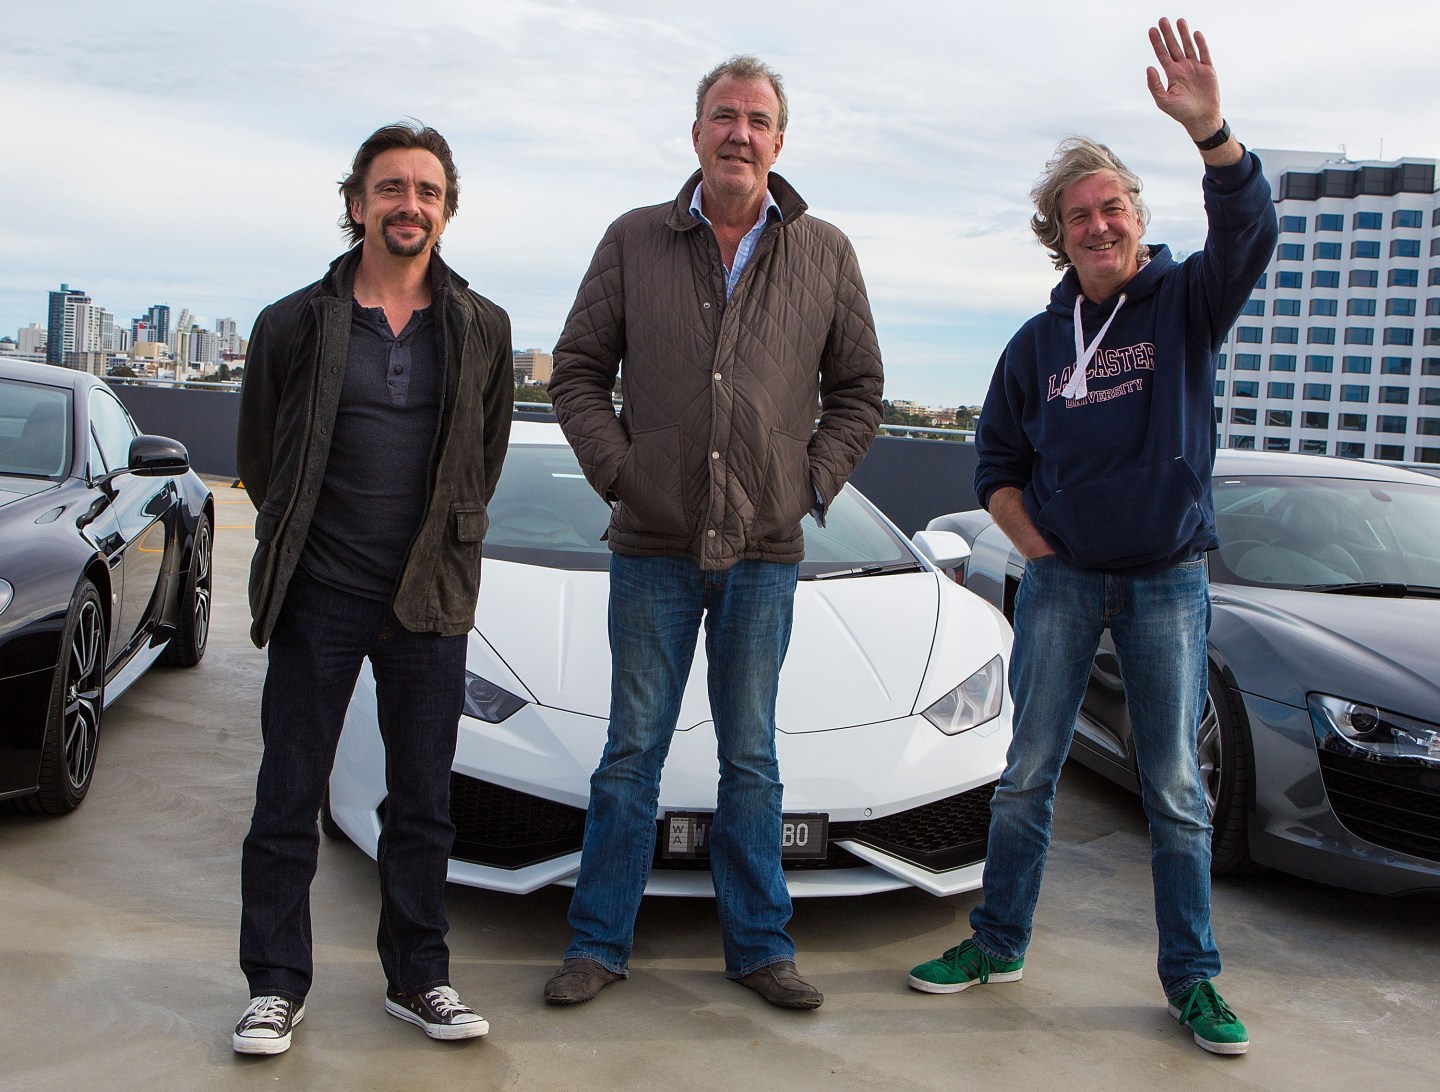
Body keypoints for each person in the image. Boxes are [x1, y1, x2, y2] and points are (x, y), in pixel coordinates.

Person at [906, 18, 1277, 1057]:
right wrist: (1041, 550)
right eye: (1079, 217)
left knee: (1173, 786)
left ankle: (1192, 982)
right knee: (1028, 773)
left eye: (1112, 207)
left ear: (1136, 216)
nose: (1099, 225)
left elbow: (1250, 234)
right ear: (1057, 237)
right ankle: (997, 941)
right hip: (1066, 586)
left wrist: (1213, 135)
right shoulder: (1035, 345)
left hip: (1167, 584)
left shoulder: (1184, 306)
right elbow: (994, 469)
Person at [544, 55, 883, 1011]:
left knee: (752, 757)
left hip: (766, 552)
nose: (740, 133)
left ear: (780, 141)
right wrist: (627, 472)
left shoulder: (825, 252)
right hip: (652, 548)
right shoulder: (632, 240)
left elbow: (858, 392)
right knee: (631, 752)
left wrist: (806, 485)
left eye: (758, 120)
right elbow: (576, 370)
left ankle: (760, 947)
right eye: (723, 116)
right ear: (694, 133)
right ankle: (598, 944)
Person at [232, 122, 513, 1054]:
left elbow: (484, 456)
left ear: (447, 210)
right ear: (356, 204)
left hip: (428, 599)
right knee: (288, 793)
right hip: (321, 592)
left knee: (423, 802)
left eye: (427, 191)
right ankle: (275, 983)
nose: (409, 206)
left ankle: (418, 979)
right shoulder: (292, 323)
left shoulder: (482, 328)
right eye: (391, 189)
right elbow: (263, 460)